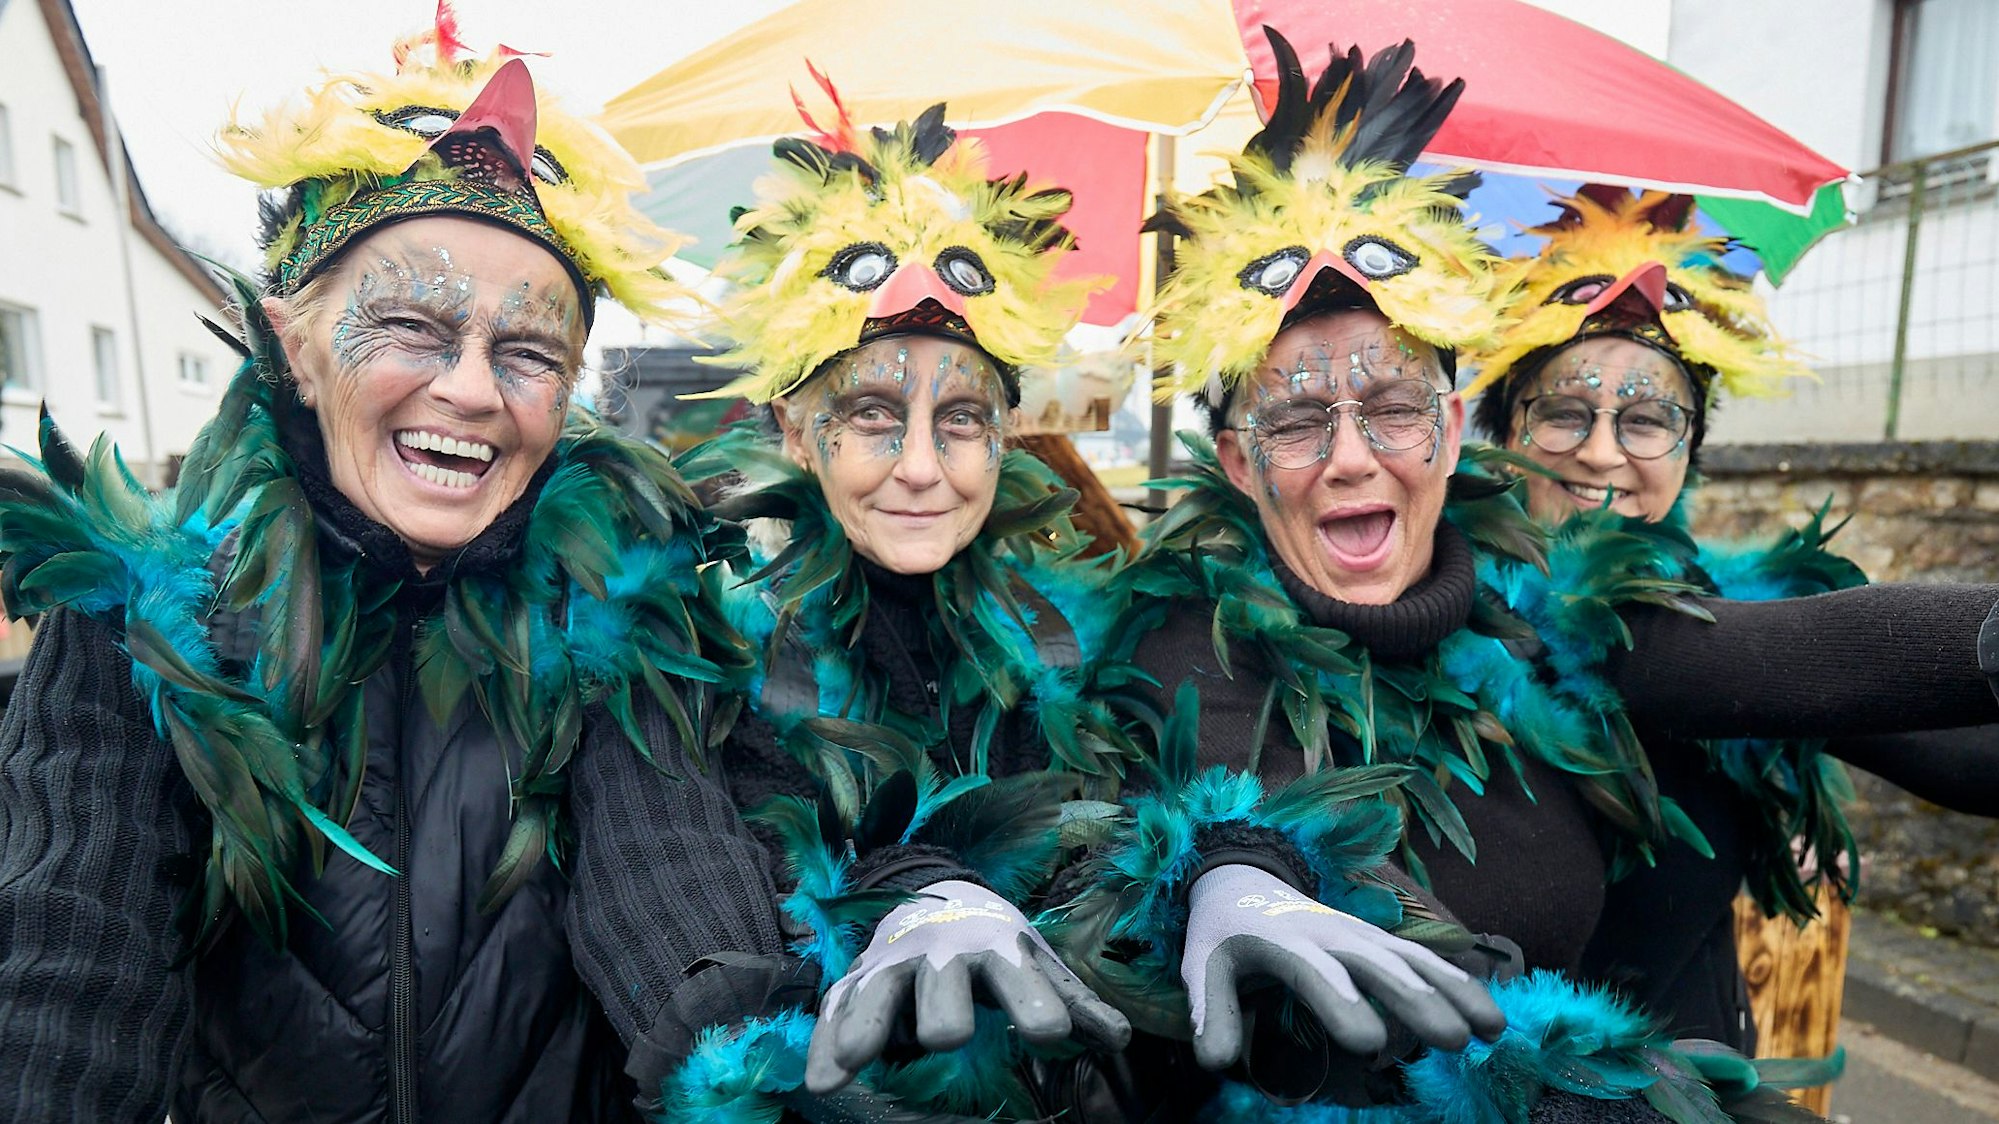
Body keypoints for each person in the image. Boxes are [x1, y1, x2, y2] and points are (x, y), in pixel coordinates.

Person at [1053, 31, 1999, 1123]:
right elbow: (1380, 930)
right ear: (1239, 462)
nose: (1353, 454)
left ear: (1452, 434)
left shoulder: (1534, 626)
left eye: (1395, 406)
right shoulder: (1183, 650)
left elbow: (1770, 653)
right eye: (1300, 418)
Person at [0, 27, 798, 1122]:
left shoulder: (619, 616)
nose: (471, 390)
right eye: (411, 326)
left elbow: (668, 868)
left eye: (528, 351)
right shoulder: (134, 625)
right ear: (293, 342)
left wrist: (750, 1064)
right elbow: (70, 967)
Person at [660, 91, 1140, 1121]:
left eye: (959, 417)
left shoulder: (1074, 646)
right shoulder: (713, 657)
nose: (920, 467)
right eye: (873, 413)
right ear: (795, 428)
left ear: (1005, 433)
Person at [1463, 185, 1999, 1048]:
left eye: (1645, 420)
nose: (1601, 452)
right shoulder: (1454, 609)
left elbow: (1964, 762)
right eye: (1563, 413)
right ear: (1502, 428)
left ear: (1689, 446)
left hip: (1697, 1077)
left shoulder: (1724, 611)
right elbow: (1785, 659)